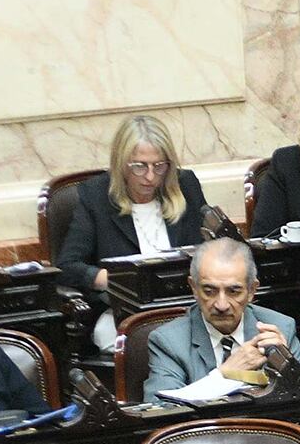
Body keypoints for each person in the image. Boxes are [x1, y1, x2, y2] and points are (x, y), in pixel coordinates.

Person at [55, 116, 209, 319]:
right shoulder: (96, 196)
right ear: (121, 164)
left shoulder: (185, 185)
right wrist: (118, 282)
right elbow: (67, 266)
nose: (150, 177)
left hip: (188, 305)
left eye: (159, 166)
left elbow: (214, 249)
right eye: (140, 166)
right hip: (125, 312)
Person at [142, 237, 300, 396]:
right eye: (209, 291)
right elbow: (161, 409)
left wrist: (287, 368)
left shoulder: (281, 328)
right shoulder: (169, 342)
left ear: (252, 290)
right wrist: (223, 376)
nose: (221, 305)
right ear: (194, 288)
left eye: (233, 291)